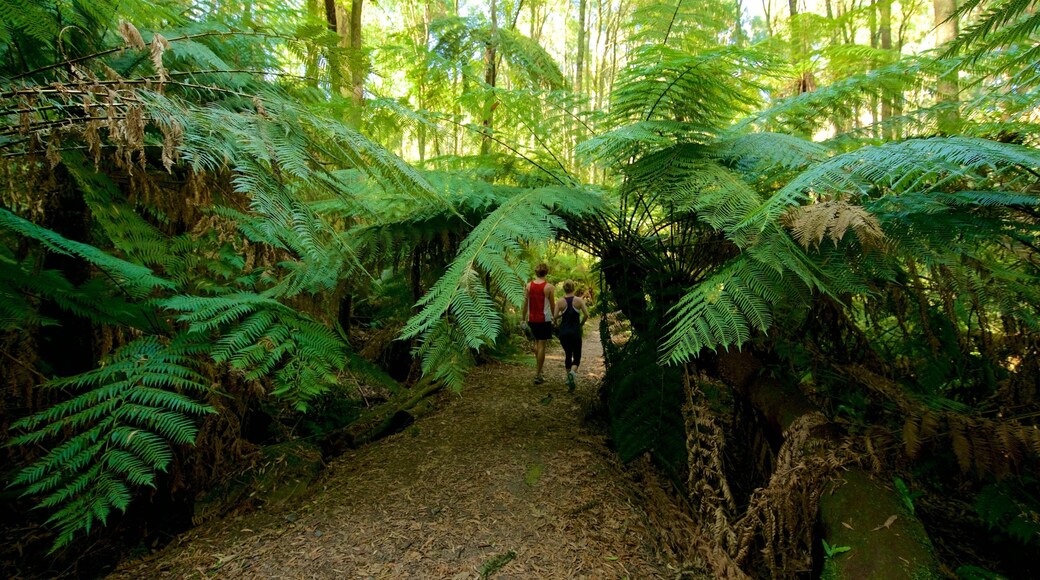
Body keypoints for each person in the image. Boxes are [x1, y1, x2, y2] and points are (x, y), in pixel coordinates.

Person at [520, 263, 555, 385]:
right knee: (541, 346)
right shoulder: (549, 287)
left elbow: (525, 304)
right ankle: (538, 374)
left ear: (536, 272)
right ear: (546, 272)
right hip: (544, 320)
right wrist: (555, 318)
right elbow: (552, 305)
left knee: (536, 344)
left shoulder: (529, 286)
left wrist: (523, 318)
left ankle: (539, 369)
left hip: (532, 319)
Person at [554, 280, 589, 392]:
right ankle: (572, 373)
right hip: (575, 332)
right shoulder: (579, 300)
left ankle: (569, 379)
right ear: (573, 288)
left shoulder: (560, 302)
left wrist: (560, 316)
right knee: (577, 356)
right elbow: (586, 314)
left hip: (563, 332)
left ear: (564, 289)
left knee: (568, 354)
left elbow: (555, 316)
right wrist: (581, 324)